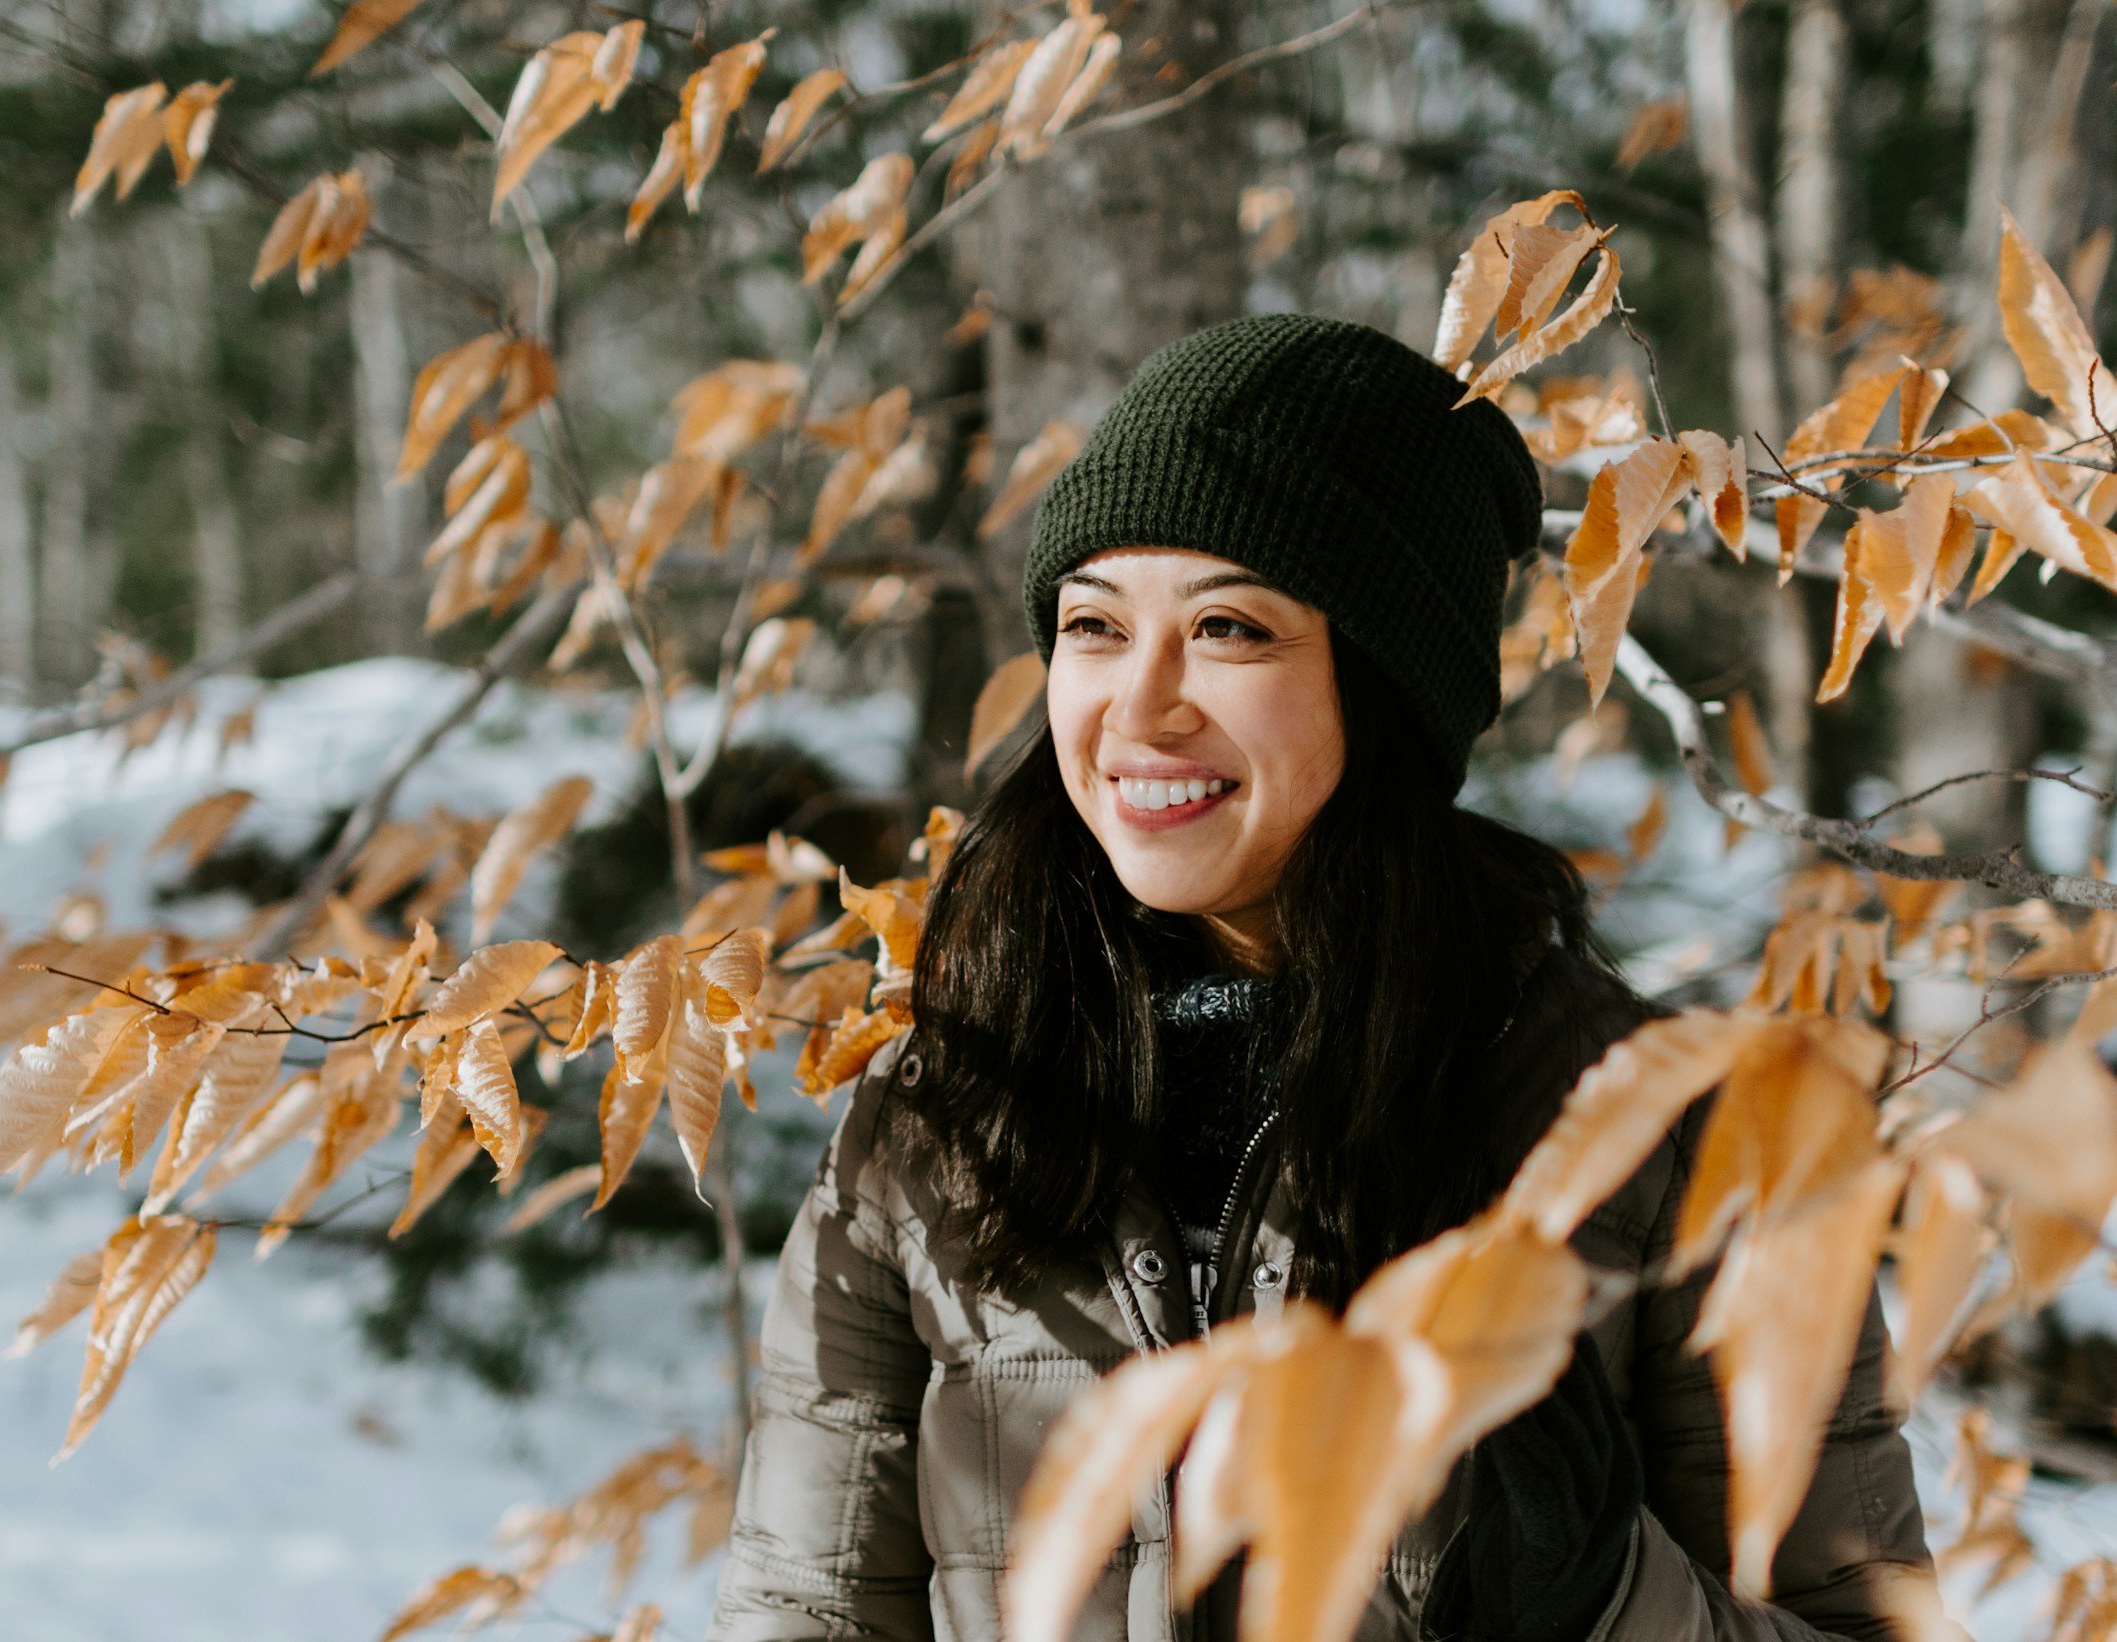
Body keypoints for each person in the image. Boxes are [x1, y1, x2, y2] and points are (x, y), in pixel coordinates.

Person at [706, 313, 1935, 1642]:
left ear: (1387, 687)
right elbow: (805, 1615)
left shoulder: (1683, 1142)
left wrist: (1608, 1596)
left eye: (1231, 627)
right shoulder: (934, 1122)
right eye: (1094, 626)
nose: (1139, 705)